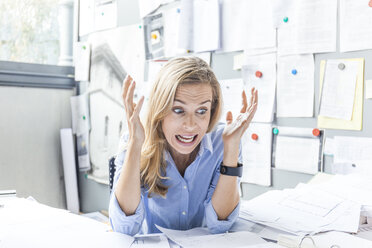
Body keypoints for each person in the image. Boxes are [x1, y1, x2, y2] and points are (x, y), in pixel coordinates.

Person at [109, 57, 258, 236]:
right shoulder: (135, 139)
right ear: (160, 110)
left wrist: (232, 147)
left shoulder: (223, 141)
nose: (190, 125)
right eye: (178, 110)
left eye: (202, 111)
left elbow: (221, 225)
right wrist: (135, 145)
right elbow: (124, 227)